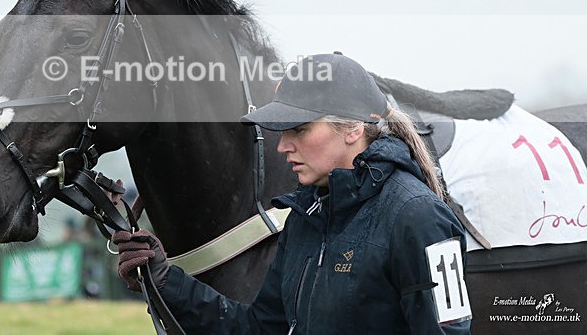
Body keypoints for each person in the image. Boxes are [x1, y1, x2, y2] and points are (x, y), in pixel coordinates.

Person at [112, 52, 471, 334]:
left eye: (298, 129)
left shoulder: (418, 216)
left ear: (352, 129)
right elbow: (257, 329)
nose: (282, 145)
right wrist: (165, 282)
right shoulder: (306, 216)